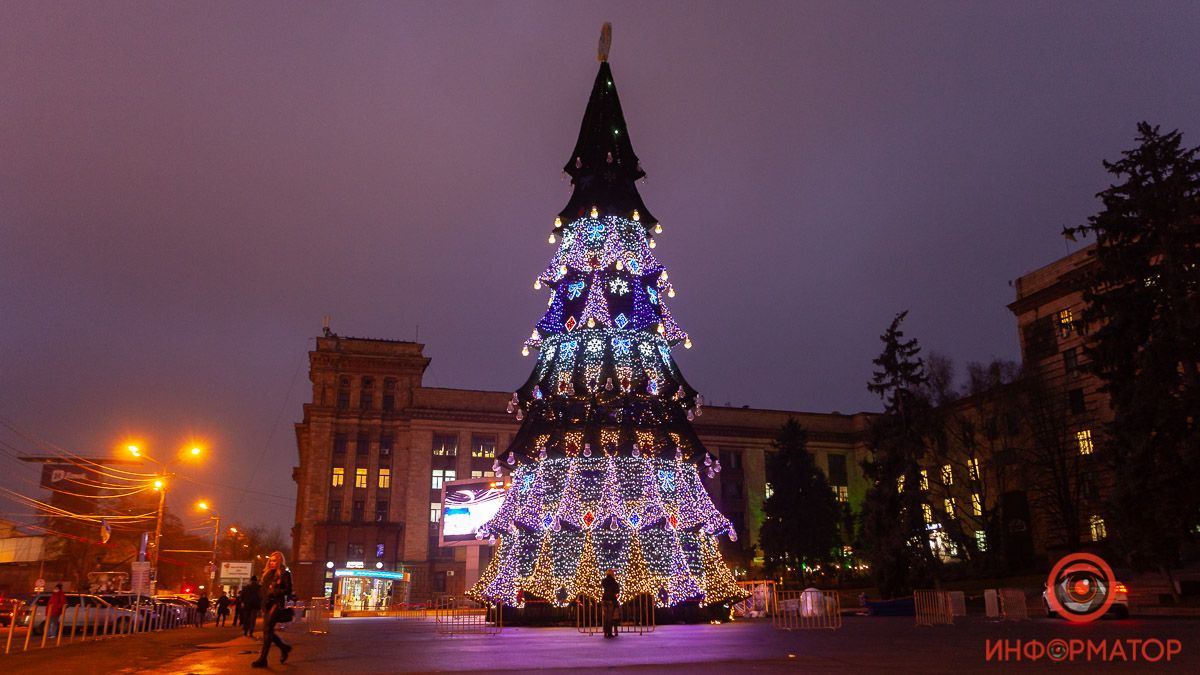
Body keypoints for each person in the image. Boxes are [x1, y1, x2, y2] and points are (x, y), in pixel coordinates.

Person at [251, 551, 293, 668]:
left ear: (279, 562)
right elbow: (263, 589)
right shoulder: (266, 573)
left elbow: (288, 590)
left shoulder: (284, 574)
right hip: (266, 604)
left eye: (274, 561)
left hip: (276, 604)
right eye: (271, 560)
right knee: (267, 631)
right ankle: (284, 648)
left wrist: (276, 591)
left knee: (268, 630)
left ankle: (263, 659)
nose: (272, 563)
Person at [601, 569, 621, 639]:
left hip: (604, 599)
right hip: (611, 600)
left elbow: (603, 586)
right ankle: (609, 632)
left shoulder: (604, 581)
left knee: (605, 617)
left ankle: (605, 632)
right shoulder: (614, 581)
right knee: (610, 617)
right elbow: (617, 590)